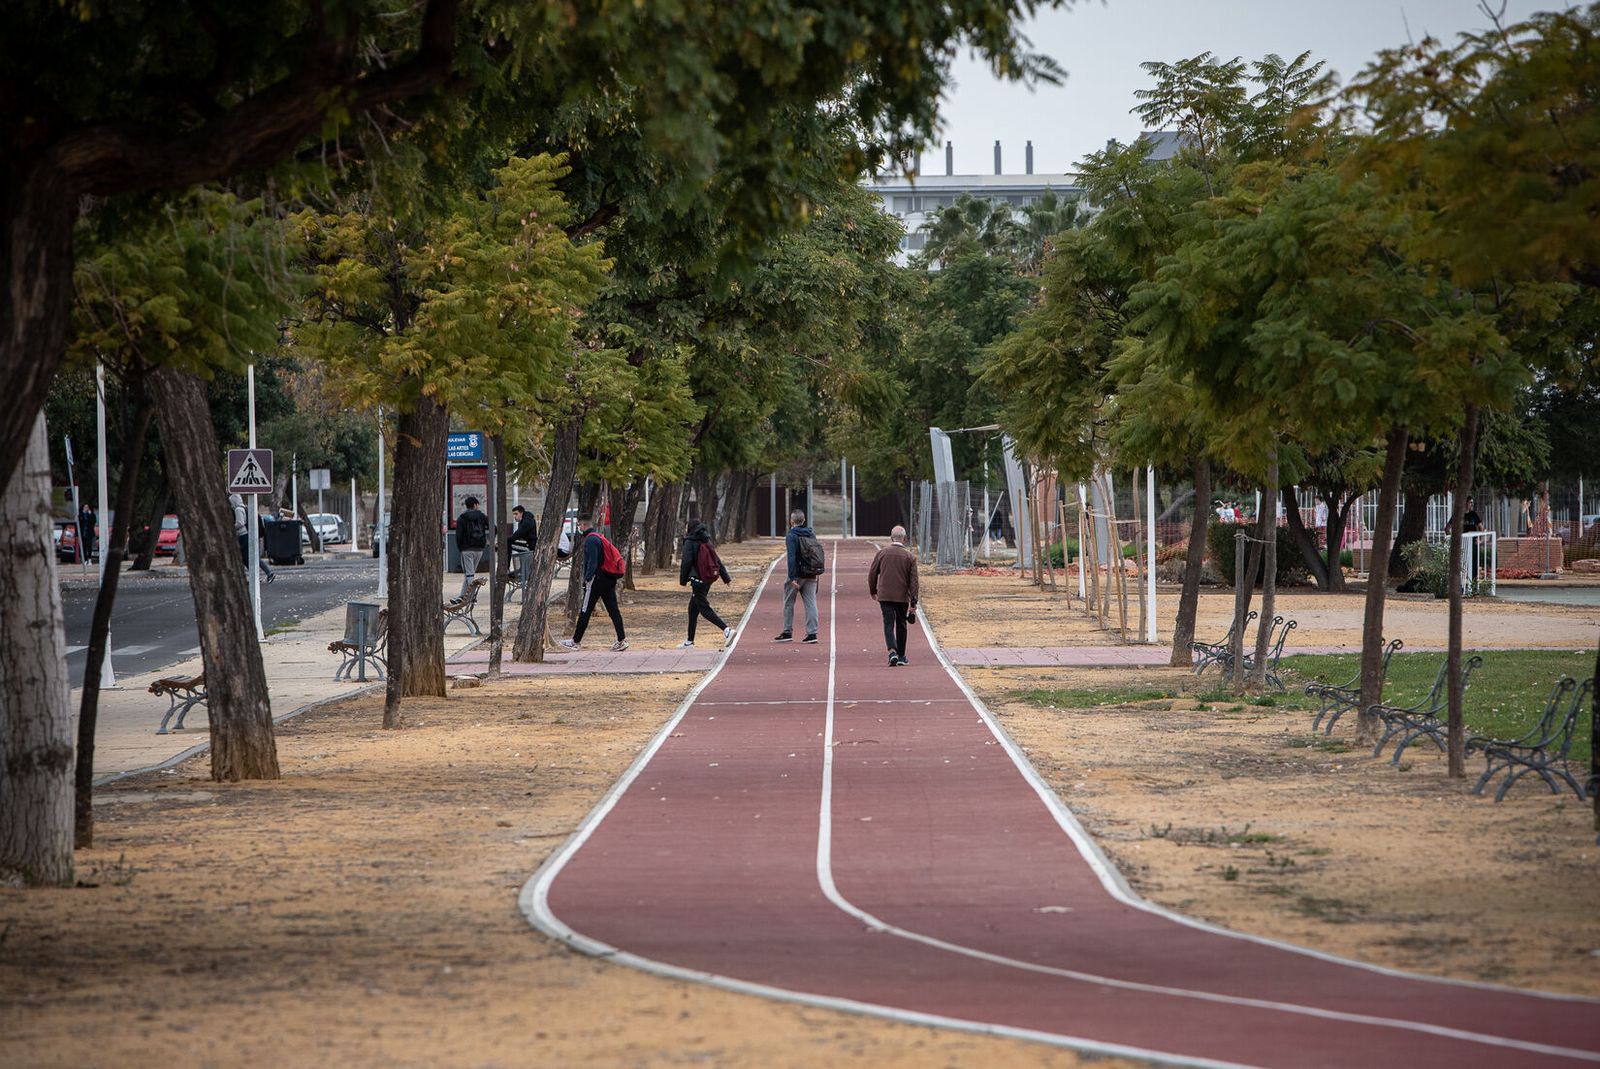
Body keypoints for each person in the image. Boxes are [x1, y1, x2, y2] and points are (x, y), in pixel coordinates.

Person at [560, 516, 628, 651]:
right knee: (613, 610)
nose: (578, 528)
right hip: (608, 579)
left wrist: (587, 579)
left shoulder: (590, 540)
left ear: (584, 525)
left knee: (585, 610)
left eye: (579, 525)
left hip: (596, 581)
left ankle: (575, 641)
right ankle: (622, 640)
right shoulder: (598, 537)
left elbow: (593, 562)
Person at [868, 525, 920, 667]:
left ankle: (892, 651)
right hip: (902, 596)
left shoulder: (882, 553)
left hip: (885, 595)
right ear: (904, 538)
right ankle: (902, 655)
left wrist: (873, 590)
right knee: (902, 624)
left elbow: (873, 573)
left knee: (888, 623)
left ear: (891, 537)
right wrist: (914, 602)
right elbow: (914, 581)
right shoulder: (910, 557)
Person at [678, 520, 734, 648]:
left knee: (704, 609)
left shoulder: (690, 542)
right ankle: (690, 641)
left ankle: (727, 630)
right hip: (707, 580)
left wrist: (682, 581)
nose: (685, 529)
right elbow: (716, 559)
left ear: (690, 528)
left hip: (697, 581)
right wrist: (726, 577)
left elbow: (686, 562)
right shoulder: (705, 539)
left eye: (686, 527)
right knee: (693, 609)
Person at [776, 509, 822, 643]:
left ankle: (787, 631)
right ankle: (812, 634)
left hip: (797, 574)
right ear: (803, 520)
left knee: (789, 602)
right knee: (811, 603)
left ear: (791, 521)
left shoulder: (791, 535)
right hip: (811, 573)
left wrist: (792, 577)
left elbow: (791, 557)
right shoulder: (811, 533)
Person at [231, 493, 274, 583]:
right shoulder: (244, 508)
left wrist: (231, 527)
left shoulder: (238, 509)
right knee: (247, 558)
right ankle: (255, 576)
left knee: (249, 557)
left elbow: (240, 523)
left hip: (242, 535)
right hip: (245, 535)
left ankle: (267, 573)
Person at [454, 496, 490, 597]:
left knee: (469, 573)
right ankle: (462, 596)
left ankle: (471, 596)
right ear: (475, 505)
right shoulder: (482, 517)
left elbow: (459, 535)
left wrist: (460, 547)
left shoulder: (461, 518)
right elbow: (493, 528)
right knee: (470, 573)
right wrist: (488, 540)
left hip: (466, 549)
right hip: (479, 548)